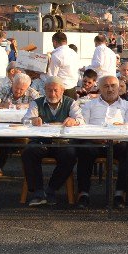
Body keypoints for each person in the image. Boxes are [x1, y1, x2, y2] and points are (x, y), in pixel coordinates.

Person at [71, 75, 128, 207]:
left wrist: (118, 138)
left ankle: (119, 194)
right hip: (94, 141)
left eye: (113, 86)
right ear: (99, 88)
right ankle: (83, 193)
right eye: (106, 86)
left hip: (118, 142)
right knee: (84, 150)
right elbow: (83, 127)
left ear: (119, 88)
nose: (110, 89)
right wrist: (96, 138)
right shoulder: (89, 105)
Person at [20, 77, 84, 206]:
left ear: (62, 90)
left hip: (62, 142)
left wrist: (74, 121)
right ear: (44, 90)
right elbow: (24, 120)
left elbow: (81, 120)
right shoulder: (36, 103)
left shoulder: (70, 102)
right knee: (29, 152)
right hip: (40, 141)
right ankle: (38, 191)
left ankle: (51, 190)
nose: (52, 94)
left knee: (70, 155)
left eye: (56, 90)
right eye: (49, 90)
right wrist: (32, 120)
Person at [44, 31, 80, 98]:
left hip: (62, 91)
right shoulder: (73, 53)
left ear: (54, 42)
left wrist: (38, 75)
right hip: (73, 89)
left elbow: (51, 77)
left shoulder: (56, 55)